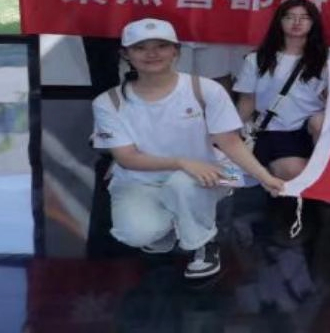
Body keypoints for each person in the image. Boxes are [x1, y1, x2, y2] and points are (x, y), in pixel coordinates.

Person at [91, 18, 285, 280]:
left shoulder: (205, 90)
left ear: (176, 51)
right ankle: (170, 225)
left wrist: (264, 177)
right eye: (140, 48)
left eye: (161, 46)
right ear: (125, 54)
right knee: (136, 234)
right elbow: (127, 158)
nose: (152, 54)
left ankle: (203, 242)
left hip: (209, 173)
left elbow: (229, 141)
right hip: (140, 179)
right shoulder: (108, 102)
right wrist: (182, 162)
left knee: (182, 184)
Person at [233, 0, 330, 181]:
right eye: (290, 17)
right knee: (295, 173)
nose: (297, 22)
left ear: (313, 22)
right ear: (279, 22)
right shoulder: (257, 59)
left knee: (320, 121)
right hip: (274, 130)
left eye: (304, 18)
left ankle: (327, 172)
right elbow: (247, 101)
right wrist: (230, 135)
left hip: (311, 128)